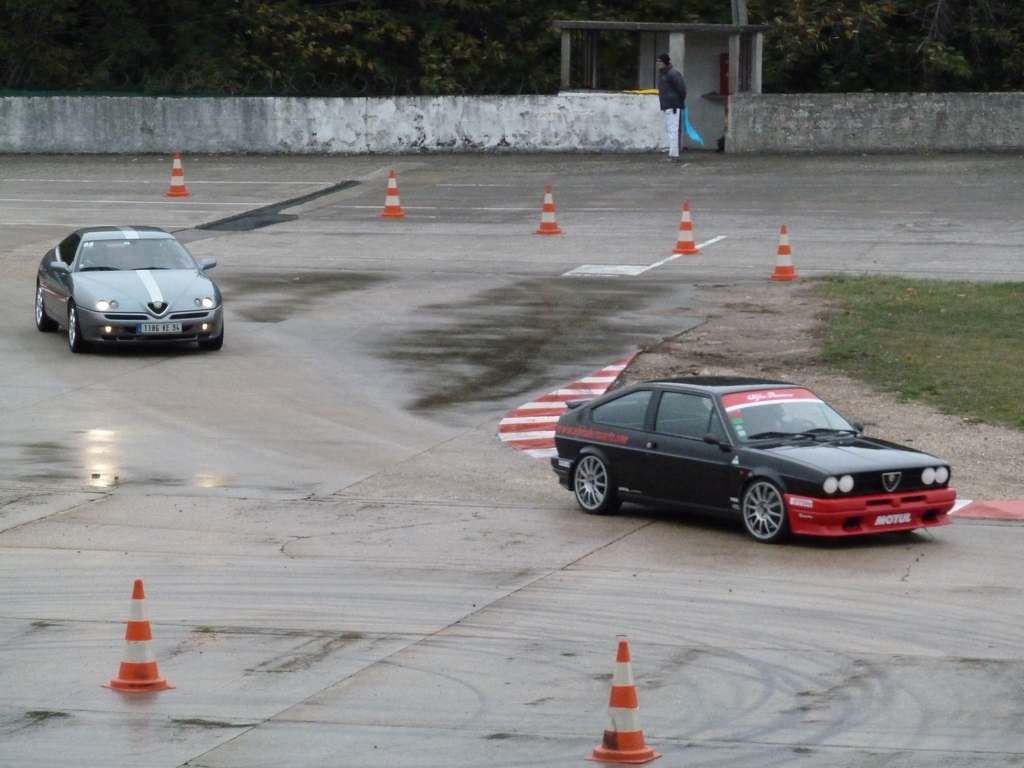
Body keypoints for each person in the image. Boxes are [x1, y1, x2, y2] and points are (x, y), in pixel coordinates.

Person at [656, 52, 688, 162]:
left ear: (665, 62)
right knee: (670, 129)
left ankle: (674, 154)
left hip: (672, 105)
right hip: (669, 105)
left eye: (660, 61)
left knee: (673, 129)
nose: (657, 63)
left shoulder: (672, 74)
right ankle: (673, 152)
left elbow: (682, 90)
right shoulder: (666, 74)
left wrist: (677, 101)